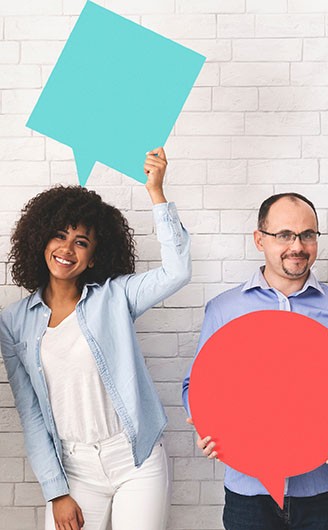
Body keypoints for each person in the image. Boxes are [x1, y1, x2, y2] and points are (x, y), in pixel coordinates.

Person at [0, 148, 190, 530]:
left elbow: (177, 272)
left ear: (93, 255)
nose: (67, 250)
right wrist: (56, 492)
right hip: (75, 469)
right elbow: (32, 414)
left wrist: (156, 192)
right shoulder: (14, 323)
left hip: (135, 459)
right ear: (41, 241)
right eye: (59, 236)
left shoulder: (114, 297)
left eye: (81, 242)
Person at [181, 192, 328, 530]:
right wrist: (205, 420)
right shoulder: (223, 309)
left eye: (307, 235)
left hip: (325, 493)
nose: (297, 245)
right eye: (284, 235)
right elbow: (196, 384)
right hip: (248, 494)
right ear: (259, 239)